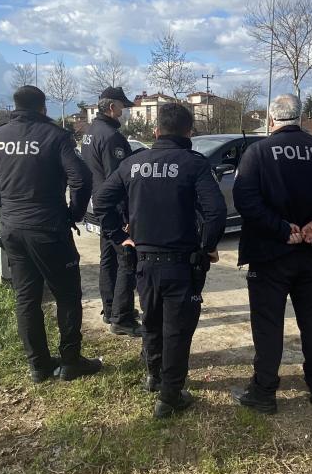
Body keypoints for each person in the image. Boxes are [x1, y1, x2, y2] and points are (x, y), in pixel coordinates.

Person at [93, 103, 226, 419]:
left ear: (155, 132)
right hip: (182, 263)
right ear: (189, 132)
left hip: (143, 262)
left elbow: (101, 201)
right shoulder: (194, 164)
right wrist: (207, 246)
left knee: (151, 321)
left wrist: (118, 236)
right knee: (177, 329)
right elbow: (216, 211)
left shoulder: (133, 163)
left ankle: (154, 376)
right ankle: (170, 396)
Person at [0, 85, 101, 383]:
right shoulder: (55, 136)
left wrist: (8, 203)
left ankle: (38, 365)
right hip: (49, 228)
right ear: (43, 108)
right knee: (67, 295)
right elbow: (81, 178)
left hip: (13, 229)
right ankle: (70, 361)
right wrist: (74, 214)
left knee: (26, 298)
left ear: (15, 106)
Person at [230, 95, 312, 413]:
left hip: (269, 254)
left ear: (271, 120)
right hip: (310, 252)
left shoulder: (258, 152)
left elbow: (245, 200)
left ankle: (264, 391)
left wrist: (281, 229)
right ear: (300, 118)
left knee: (268, 325)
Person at [81, 87, 142, 337]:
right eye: (122, 106)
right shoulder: (111, 137)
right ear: (111, 107)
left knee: (108, 258)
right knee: (127, 258)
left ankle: (110, 308)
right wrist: (126, 216)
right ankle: (122, 318)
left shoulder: (91, 132)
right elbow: (119, 179)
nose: (124, 111)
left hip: (98, 205)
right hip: (113, 207)